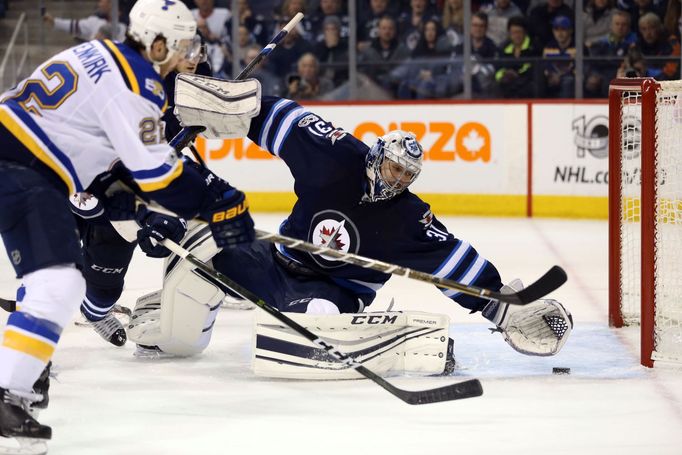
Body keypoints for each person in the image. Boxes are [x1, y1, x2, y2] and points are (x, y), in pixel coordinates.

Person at [127, 88, 573, 371]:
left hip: (334, 290)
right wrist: (229, 109)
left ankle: (379, 341)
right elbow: (280, 119)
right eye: (394, 169)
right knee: (204, 243)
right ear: (377, 157)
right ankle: (162, 315)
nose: (397, 180)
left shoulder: (407, 218)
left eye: (406, 176)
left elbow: (454, 261)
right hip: (274, 262)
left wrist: (502, 307)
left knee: (317, 317)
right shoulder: (337, 156)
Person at [0, 0, 254, 451]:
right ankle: (10, 391)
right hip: (23, 168)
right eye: (180, 45)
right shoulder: (135, 85)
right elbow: (158, 175)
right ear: (157, 44)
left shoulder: (105, 55)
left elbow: (112, 162)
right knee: (58, 284)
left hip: (24, 162)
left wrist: (139, 201)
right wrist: (218, 200)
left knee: (54, 282)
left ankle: (18, 387)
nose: (187, 54)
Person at [42, 0, 126, 42]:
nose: (99, 3)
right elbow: (74, 26)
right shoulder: (96, 21)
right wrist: (53, 21)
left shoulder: (126, 27)